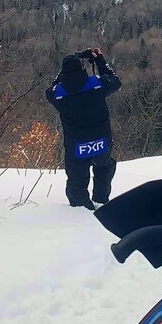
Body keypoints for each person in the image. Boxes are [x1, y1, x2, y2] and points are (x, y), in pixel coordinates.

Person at [45, 47, 122, 209]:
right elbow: (115, 81)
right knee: (103, 169)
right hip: (101, 141)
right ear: (82, 69)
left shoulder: (58, 94)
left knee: (76, 180)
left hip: (76, 145)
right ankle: (101, 201)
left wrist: (64, 70)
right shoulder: (97, 84)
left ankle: (80, 210)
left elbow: (52, 88)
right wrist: (99, 60)